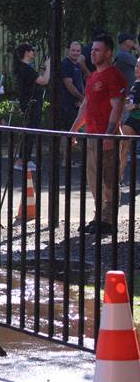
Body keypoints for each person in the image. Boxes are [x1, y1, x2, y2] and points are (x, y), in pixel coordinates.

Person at [70, 33, 127, 235]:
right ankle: (99, 216)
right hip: (92, 135)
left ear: (108, 52)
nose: (93, 53)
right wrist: (75, 128)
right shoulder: (93, 76)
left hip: (106, 135)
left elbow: (117, 106)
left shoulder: (113, 75)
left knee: (109, 178)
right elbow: (86, 105)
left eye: (97, 50)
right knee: (94, 179)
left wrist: (110, 134)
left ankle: (108, 220)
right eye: (92, 50)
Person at [13, 42, 50, 171]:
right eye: (32, 50)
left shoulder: (26, 68)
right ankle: (21, 160)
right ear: (26, 52)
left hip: (31, 103)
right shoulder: (26, 68)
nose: (33, 52)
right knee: (30, 131)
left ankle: (24, 159)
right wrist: (49, 65)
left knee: (30, 131)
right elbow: (44, 81)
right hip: (31, 104)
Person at [119, 59, 140, 182]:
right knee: (123, 146)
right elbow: (132, 99)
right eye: (136, 65)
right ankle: (118, 177)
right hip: (133, 120)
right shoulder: (136, 83)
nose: (137, 68)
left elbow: (136, 103)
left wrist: (136, 106)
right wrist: (124, 100)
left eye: (139, 66)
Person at [60, 41, 86, 133]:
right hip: (67, 105)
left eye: (78, 51)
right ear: (68, 51)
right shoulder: (65, 64)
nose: (76, 53)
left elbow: (81, 83)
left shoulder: (78, 65)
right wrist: (82, 98)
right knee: (67, 132)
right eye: (73, 50)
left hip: (77, 104)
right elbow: (69, 85)